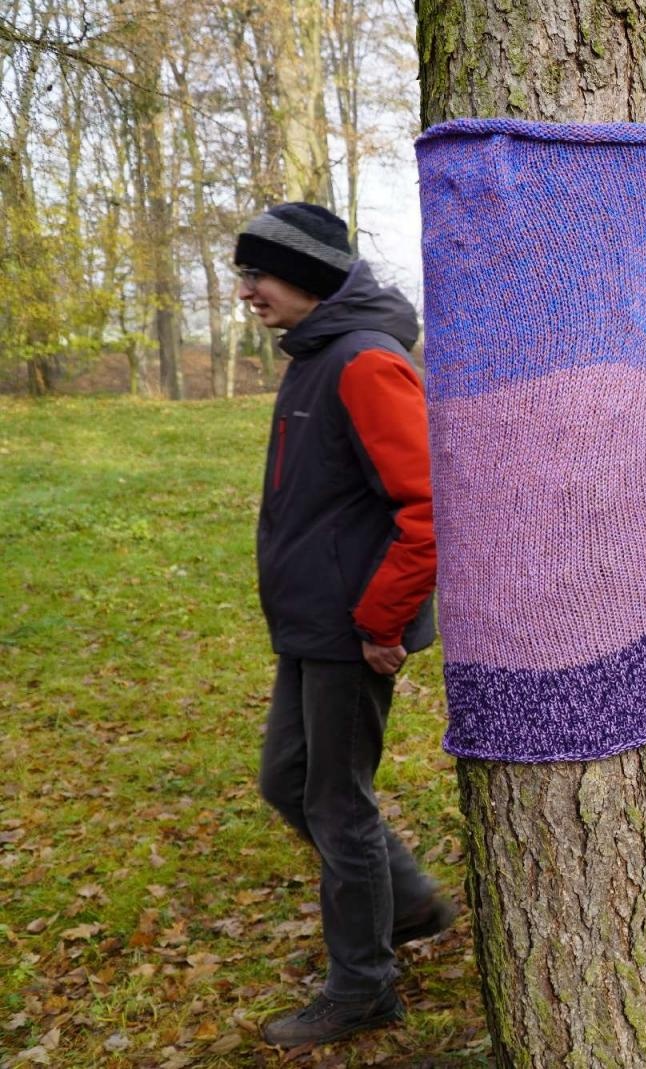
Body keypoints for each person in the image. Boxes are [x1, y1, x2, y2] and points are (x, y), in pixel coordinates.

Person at [238, 203, 455, 1047]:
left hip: (352, 627)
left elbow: (429, 510)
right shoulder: (318, 355)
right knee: (288, 781)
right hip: (313, 621)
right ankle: (406, 903)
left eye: (261, 272)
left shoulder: (365, 363)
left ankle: (363, 983)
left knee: (335, 802)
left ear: (315, 277)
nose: (248, 289)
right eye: (243, 273)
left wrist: (379, 619)